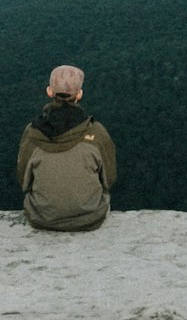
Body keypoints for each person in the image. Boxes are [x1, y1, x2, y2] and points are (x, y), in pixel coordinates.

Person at [17, 63, 117, 231]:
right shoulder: (97, 133)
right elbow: (109, 180)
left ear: (49, 91)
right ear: (79, 94)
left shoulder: (33, 133)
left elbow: (24, 182)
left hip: (42, 217)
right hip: (90, 218)